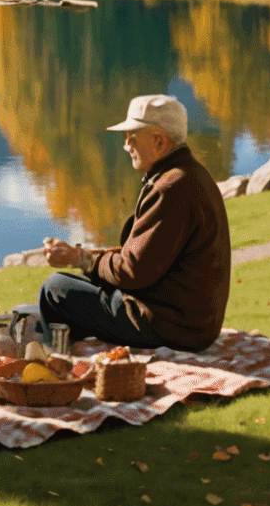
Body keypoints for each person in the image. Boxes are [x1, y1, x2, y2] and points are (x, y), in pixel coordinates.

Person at [38, 94, 231, 352]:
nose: (126, 145)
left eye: (132, 137)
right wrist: (81, 255)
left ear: (159, 141)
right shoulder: (187, 174)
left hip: (171, 326)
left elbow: (131, 270)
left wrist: (80, 259)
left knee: (55, 288)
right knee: (81, 286)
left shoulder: (170, 189)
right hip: (187, 320)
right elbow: (142, 258)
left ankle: (57, 361)